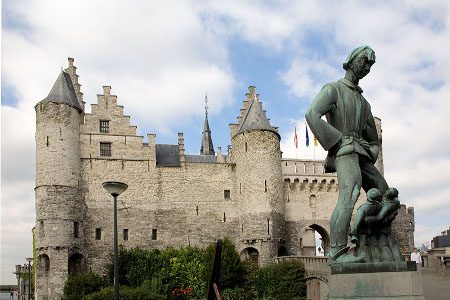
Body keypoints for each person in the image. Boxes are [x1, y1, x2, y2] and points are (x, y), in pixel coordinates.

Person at [305, 46, 389, 264]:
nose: (366, 67)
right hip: (345, 150)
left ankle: (374, 243)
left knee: (387, 195)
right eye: (363, 61)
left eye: (370, 64)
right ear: (351, 61)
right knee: (349, 195)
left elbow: (373, 138)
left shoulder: (364, 103)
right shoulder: (333, 90)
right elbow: (312, 114)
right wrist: (336, 142)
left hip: (361, 153)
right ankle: (339, 252)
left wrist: (371, 152)